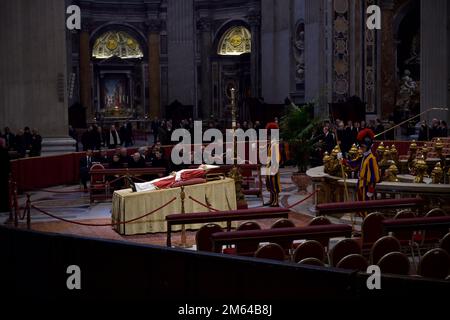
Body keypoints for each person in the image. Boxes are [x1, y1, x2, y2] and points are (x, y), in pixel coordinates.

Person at [342, 128, 380, 205]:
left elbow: (373, 176)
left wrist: (371, 189)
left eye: (363, 147)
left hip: (367, 187)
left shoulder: (371, 159)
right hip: (360, 185)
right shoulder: (363, 157)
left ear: (368, 147)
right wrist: (343, 160)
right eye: (360, 146)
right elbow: (354, 163)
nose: (361, 148)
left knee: (366, 207)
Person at [130, 164, 218, 192]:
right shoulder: (198, 169)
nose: (201, 164)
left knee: (158, 183)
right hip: (175, 176)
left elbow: (186, 176)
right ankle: (137, 185)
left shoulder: (199, 171)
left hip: (175, 179)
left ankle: (138, 188)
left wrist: (176, 175)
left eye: (203, 165)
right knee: (156, 180)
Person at [264, 122, 281, 207]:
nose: (269, 136)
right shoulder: (270, 143)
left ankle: (276, 200)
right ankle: (271, 199)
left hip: (273, 166)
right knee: (269, 183)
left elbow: (277, 157)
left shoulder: (275, 144)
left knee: (275, 184)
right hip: (268, 165)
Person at [0, 138, 10, 212]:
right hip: (4, 175)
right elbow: (8, 164)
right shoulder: (5, 152)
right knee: (5, 193)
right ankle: (5, 208)